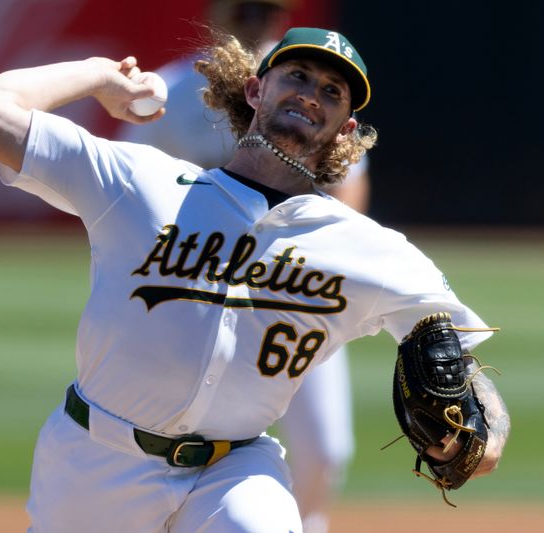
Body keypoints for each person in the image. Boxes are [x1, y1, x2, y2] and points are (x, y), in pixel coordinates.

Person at [0, 25, 510, 533]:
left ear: (346, 130)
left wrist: (485, 438)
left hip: (236, 467)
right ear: (254, 91)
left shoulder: (370, 250)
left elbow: (455, 357)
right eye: (296, 75)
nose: (310, 94)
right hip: (97, 459)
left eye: (332, 92)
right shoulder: (139, 181)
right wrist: (100, 75)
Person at [116, 3, 367, 530]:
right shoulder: (177, 90)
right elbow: (132, 185)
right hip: (193, 290)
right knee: (180, 433)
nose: (255, 18)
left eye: (266, 9)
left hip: (293, 292)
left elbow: (350, 195)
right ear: (219, 12)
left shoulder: (317, 102)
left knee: (325, 451)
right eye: (245, 7)